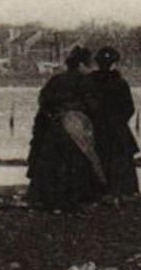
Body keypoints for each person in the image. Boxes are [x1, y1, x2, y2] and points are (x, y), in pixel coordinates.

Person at [27, 45, 108, 211]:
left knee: (53, 165)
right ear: (81, 65)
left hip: (54, 126)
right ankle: (79, 197)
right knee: (79, 163)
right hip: (76, 126)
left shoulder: (55, 80)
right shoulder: (87, 82)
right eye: (89, 65)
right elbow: (94, 106)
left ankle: (48, 197)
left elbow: (44, 102)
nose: (91, 69)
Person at [88, 45, 140, 195]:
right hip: (117, 130)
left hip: (95, 129)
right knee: (121, 164)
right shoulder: (120, 83)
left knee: (97, 160)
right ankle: (121, 192)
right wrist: (118, 122)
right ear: (114, 63)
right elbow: (129, 108)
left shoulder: (90, 81)